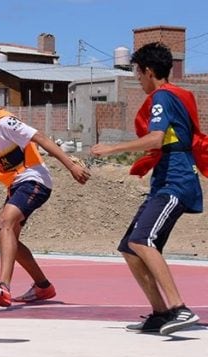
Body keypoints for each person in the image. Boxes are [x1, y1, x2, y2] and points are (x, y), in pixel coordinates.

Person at [91, 42, 202, 336]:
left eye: (137, 74)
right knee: (130, 246)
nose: (137, 80)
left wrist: (113, 148)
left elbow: (155, 139)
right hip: (166, 181)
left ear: (149, 71)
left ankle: (180, 308)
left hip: (175, 181)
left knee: (143, 241)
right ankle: (160, 312)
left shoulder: (162, 98)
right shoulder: (173, 96)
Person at [0, 78, 90, 308]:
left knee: (3, 222)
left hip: (34, 180)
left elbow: (41, 138)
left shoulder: (6, 122)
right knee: (10, 238)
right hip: (17, 184)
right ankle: (43, 287)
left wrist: (71, 166)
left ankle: (3, 285)